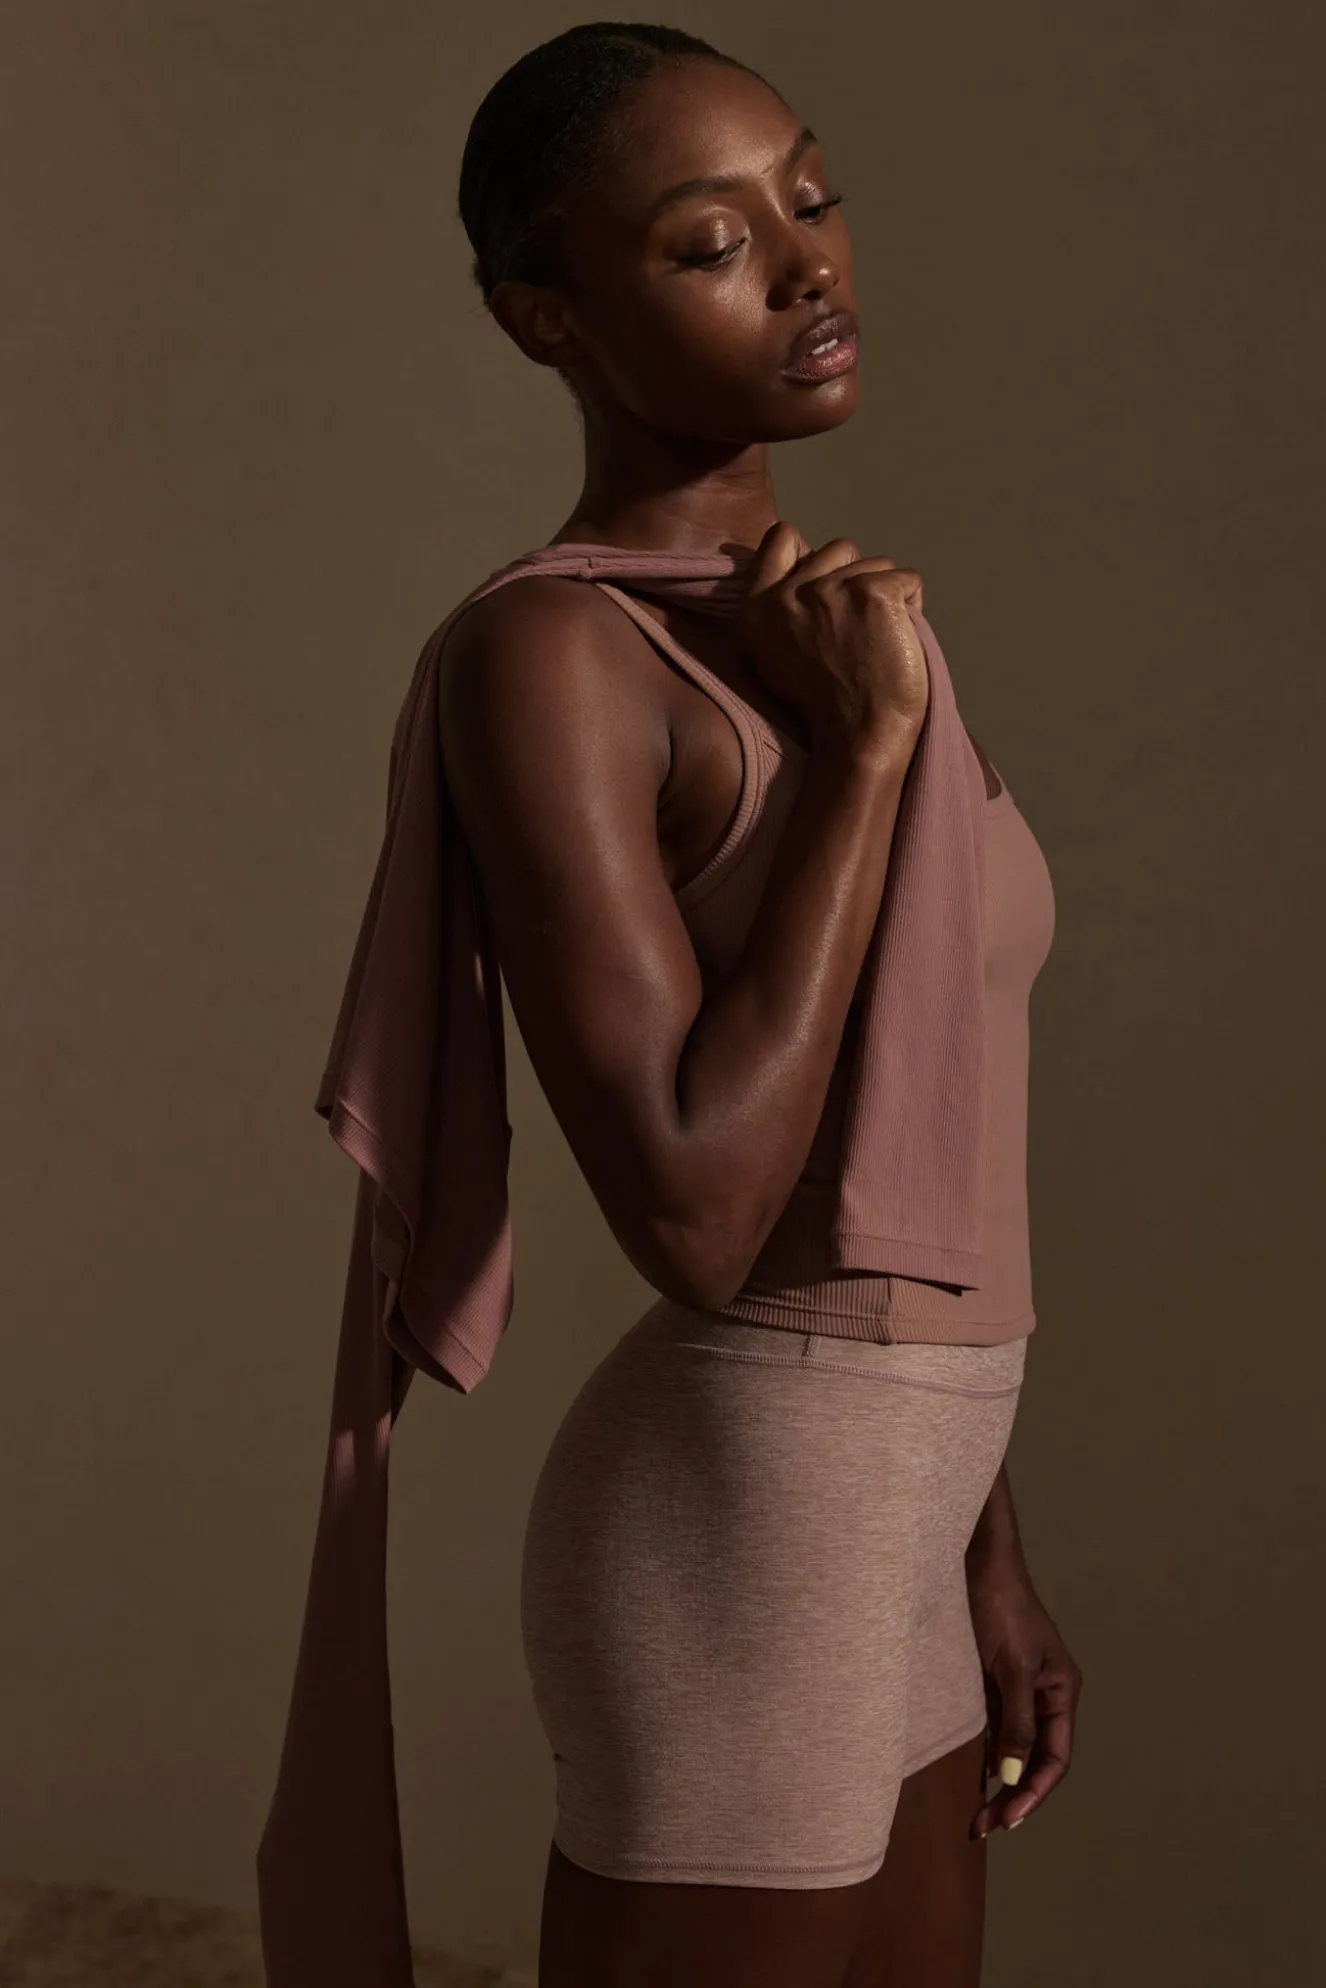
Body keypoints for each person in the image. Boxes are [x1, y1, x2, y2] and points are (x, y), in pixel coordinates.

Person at [445, 21, 1083, 1987]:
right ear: (546, 317)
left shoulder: (834, 616)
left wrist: (980, 1549)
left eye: (812, 197)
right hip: (748, 1540)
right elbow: (703, 1217)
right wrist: (869, 759)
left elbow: (914, 1147)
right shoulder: (558, 658)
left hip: (902, 1529)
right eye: (713, 242)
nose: (809, 265)